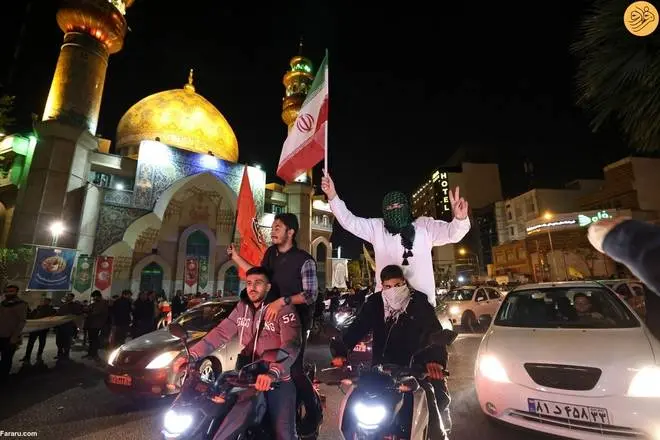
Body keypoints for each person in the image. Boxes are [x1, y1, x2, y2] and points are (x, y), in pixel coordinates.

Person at [180, 266, 301, 440]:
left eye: (258, 283)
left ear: (268, 287)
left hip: (276, 379)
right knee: (217, 416)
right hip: (245, 376)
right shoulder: (242, 307)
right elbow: (221, 332)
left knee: (284, 434)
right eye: (249, 283)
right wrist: (192, 355)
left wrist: (273, 372)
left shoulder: (283, 310)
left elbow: (292, 344)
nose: (252, 287)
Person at [331, 265, 450, 438]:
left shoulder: (419, 303)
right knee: (354, 402)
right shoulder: (374, 303)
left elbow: (434, 332)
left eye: (397, 285)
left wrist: (435, 360)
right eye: (388, 286)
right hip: (381, 370)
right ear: (382, 286)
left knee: (429, 402)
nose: (393, 290)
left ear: (404, 282)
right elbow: (357, 328)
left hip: (414, 369)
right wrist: (341, 351)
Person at [228, 212, 320, 433]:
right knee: (261, 365)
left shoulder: (304, 260)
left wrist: (283, 301)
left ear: (291, 232)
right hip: (270, 322)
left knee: (293, 370)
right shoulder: (270, 254)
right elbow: (258, 275)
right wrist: (236, 257)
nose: (273, 231)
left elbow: (311, 294)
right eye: (273, 227)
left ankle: (313, 411)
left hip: (295, 322)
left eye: (278, 227)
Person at [321, 171, 470, 306]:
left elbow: (452, 234)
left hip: (421, 307)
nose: (395, 210)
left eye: (399, 206)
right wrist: (333, 196)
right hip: (387, 306)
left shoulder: (424, 226)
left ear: (407, 207)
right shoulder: (377, 228)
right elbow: (350, 222)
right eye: (390, 208)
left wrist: (460, 219)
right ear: (384, 211)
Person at [0, 285, 28, 381]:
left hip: (10, 336)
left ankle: (3, 378)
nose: (9, 293)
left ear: (16, 292)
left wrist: (15, 336)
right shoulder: (3, 303)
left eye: (11, 291)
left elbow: (22, 321)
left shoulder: (20, 304)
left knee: (6, 358)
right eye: (7, 291)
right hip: (1, 334)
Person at [22, 296, 56, 365]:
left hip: (43, 328)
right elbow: (32, 315)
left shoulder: (51, 309)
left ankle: (39, 355)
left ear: (49, 302)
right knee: (31, 343)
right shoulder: (39, 307)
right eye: (44, 301)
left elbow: (52, 318)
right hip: (36, 327)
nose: (45, 302)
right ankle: (27, 356)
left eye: (46, 301)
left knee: (41, 342)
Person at [84, 290, 108, 360]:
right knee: (91, 339)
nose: (93, 298)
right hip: (91, 324)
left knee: (94, 340)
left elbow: (96, 312)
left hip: (96, 324)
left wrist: (88, 313)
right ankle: (90, 353)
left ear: (97, 296)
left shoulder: (102, 303)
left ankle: (94, 354)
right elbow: (89, 308)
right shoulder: (95, 303)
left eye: (94, 297)